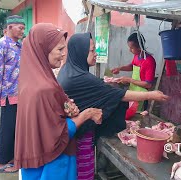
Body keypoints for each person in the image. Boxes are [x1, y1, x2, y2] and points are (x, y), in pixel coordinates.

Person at [57, 32, 168, 180]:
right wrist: (151, 95)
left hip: (74, 132)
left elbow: (144, 83)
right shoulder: (80, 77)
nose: (95, 53)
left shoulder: (69, 70)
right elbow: (117, 94)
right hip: (80, 134)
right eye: (92, 50)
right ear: (80, 51)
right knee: (83, 172)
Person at [14, 23, 103, 180]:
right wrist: (87, 114)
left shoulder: (30, 80)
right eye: (59, 50)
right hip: (52, 165)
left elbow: (42, 121)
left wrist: (65, 107)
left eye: (64, 49)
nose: (63, 55)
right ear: (43, 49)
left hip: (33, 160)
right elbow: (55, 134)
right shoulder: (45, 88)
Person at [0, 15, 25, 173]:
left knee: (15, 128)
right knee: (7, 128)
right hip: (8, 95)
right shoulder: (1, 46)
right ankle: (1, 162)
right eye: (20, 28)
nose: (23, 31)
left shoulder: (19, 46)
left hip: (20, 95)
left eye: (23, 28)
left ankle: (11, 158)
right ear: (10, 27)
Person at [111, 32, 156, 111]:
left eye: (131, 48)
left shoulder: (149, 61)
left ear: (139, 47)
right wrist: (120, 68)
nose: (130, 50)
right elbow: (132, 66)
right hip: (133, 92)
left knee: (138, 117)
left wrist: (129, 80)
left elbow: (148, 85)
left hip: (142, 95)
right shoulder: (137, 56)